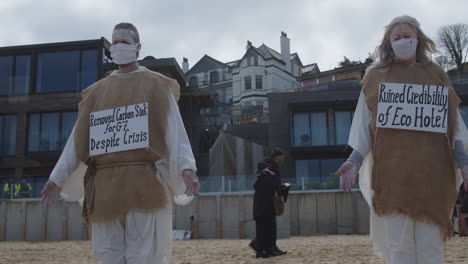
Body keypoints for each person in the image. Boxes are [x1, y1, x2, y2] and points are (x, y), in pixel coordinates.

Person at [40, 22, 199, 264]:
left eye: (124, 42)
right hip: (104, 185)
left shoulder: (156, 85)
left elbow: (174, 129)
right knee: (107, 253)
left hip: (144, 181)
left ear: (137, 47)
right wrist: (56, 178)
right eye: (114, 43)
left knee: (144, 253)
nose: (118, 47)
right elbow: (77, 140)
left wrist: (186, 167)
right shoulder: (96, 92)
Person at [335, 15, 468, 264]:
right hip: (392, 178)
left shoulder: (437, 74)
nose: (403, 41)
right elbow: (364, 127)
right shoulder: (376, 77)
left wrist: (464, 163)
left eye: (408, 36)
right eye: (397, 38)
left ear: (418, 39)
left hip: (433, 178)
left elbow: (454, 127)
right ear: (389, 43)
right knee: (399, 248)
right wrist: (354, 161)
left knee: (431, 247)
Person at [249, 147, 288, 258]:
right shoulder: (265, 176)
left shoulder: (266, 176)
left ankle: (269, 249)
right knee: (264, 229)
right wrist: (280, 190)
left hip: (265, 205)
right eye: (281, 158)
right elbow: (273, 183)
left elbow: (274, 183)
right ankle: (262, 250)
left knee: (269, 228)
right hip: (264, 206)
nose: (282, 160)